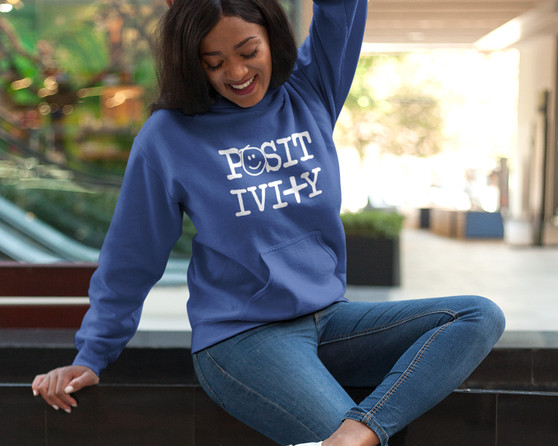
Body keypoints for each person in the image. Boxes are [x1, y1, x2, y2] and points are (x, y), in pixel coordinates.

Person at [32, 0, 506, 445]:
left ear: (270, 38)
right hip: (242, 341)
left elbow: (341, 12)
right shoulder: (169, 136)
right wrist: (92, 354)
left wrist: (364, 425)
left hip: (330, 321)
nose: (236, 73)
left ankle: (360, 431)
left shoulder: (309, 91)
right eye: (213, 62)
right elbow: (133, 256)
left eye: (247, 51)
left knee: (477, 314)